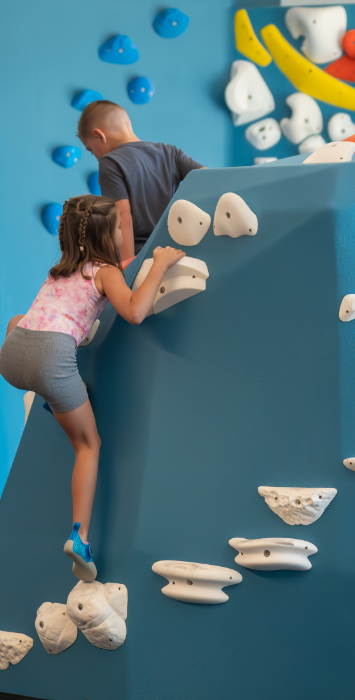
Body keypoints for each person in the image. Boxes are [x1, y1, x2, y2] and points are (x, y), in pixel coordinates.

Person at [0, 195, 185, 581]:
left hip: (12, 359)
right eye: (120, 227)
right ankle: (79, 537)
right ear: (109, 235)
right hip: (50, 362)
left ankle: (52, 396)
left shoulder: (58, 270)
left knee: (19, 318)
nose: (123, 232)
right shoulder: (106, 273)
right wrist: (163, 264)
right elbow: (134, 311)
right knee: (88, 445)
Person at [77, 100, 205, 260]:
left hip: (143, 258)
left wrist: (126, 268)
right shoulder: (170, 152)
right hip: (176, 254)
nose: (95, 156)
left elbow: (122, 215)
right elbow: (208, 179)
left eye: (91, 150)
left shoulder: (110, 162)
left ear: (100, 135)